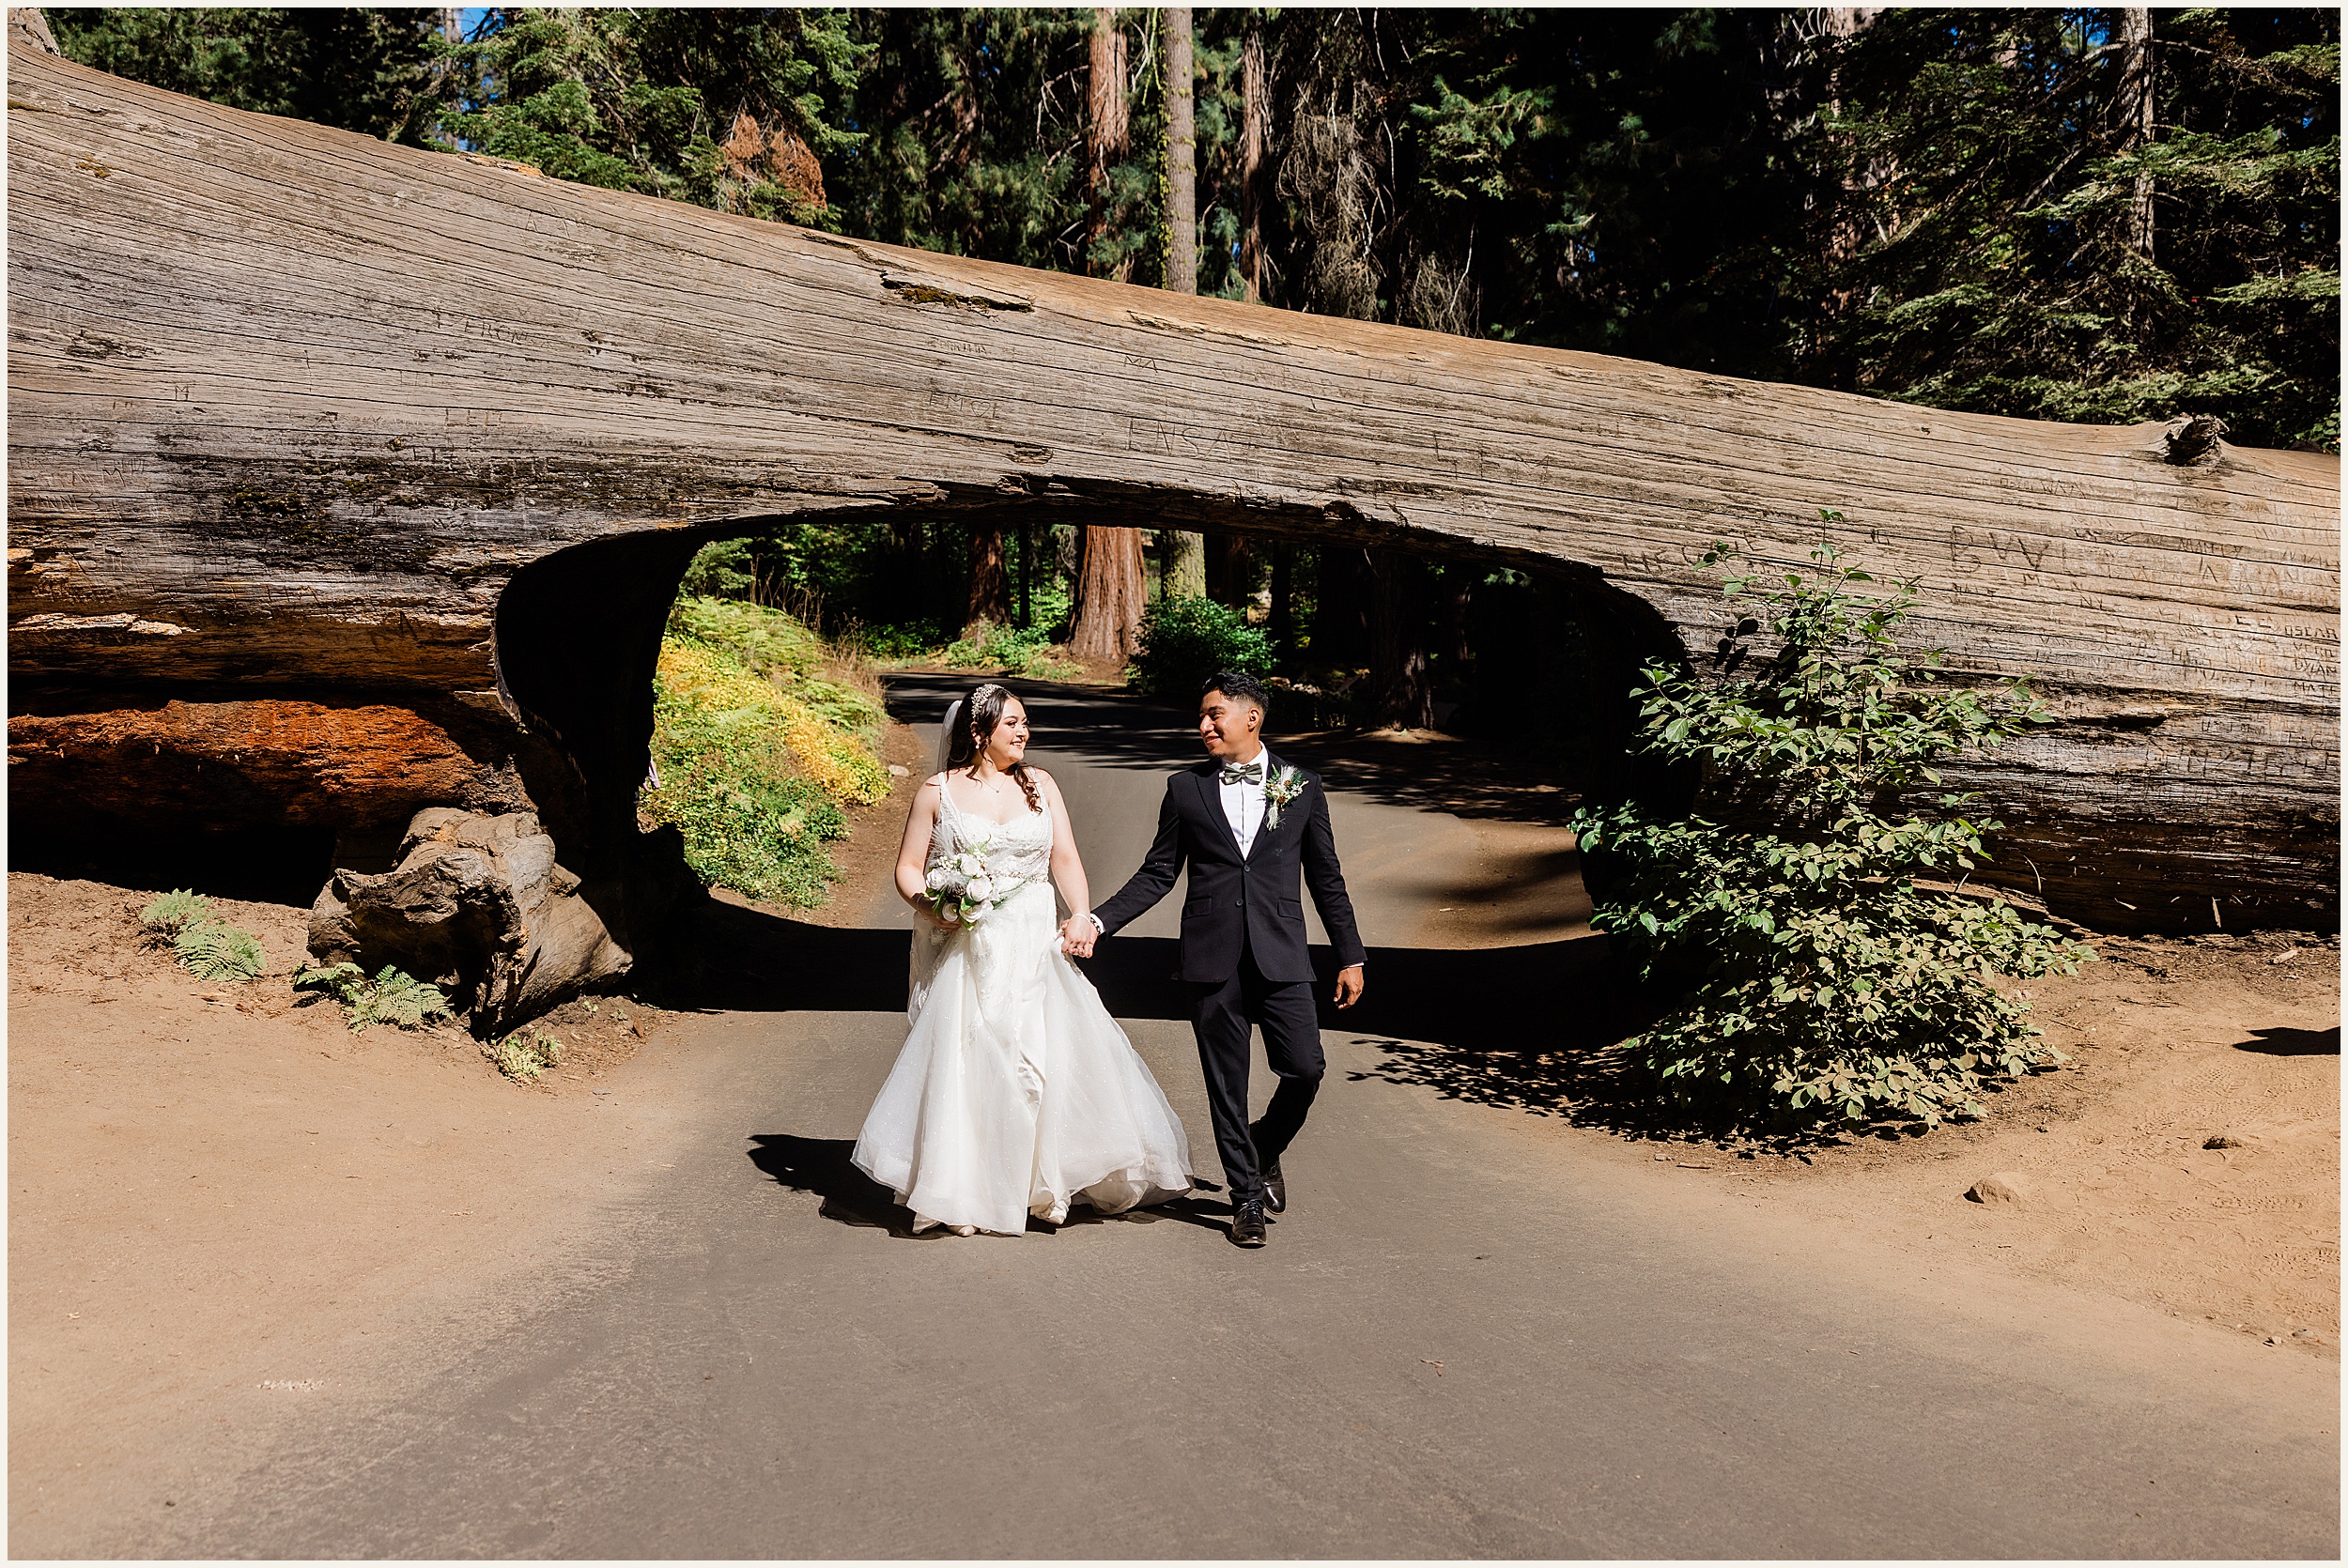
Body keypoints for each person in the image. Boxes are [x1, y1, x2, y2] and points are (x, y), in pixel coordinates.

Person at [853, 683, 1193, 1237]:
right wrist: (931, 905)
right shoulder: (936, 793)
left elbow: (1064, 857)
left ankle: (1042, 1184)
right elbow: (909, 868)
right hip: (974, 946)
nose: (1023, 732)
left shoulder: (1041, 784)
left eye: (1025, 722)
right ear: (979, 732)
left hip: (1034, 941)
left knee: (1037, 1057)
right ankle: (970, 1187)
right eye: (1012, 723)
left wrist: (1081, 913)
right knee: (970, 1060)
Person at [1063, 670, 1365, 1248]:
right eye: (1201, 715)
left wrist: (1350, 955)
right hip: (1211, 958)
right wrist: (1098, 921)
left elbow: (1327, 878)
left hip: (1282, 955)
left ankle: (1263, 1144)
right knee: (1227, 1082)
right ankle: (1245, 1199)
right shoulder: (1186, 789)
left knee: (1305, 1068)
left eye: (1215, 714)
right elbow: (1157, 873)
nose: (1204, 725)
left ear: (1252, 717)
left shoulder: (1302, 787)